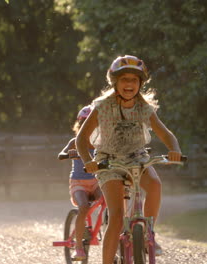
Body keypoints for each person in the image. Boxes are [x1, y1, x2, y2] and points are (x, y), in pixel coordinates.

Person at [76, 55, 182, 264]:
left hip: (137, 158)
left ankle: (148, 233)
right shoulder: (103, 106)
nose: (129, 84)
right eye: (124, 79)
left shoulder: (144, 108)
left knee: (155, 185)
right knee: (116, 216)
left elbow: (165, 134)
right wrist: (88, 160)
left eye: (134, 80)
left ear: (140, 83)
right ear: (115, 82)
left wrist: (175, 149)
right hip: (109, 161)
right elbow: (81, 139)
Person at [58, 105, 102, 261]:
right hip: (79, 183)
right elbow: (61, 154)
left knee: (108, 200)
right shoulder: (75, 142)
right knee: (84, 207)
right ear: (79, 124)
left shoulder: (100, 144)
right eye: (84, 123)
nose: (88, 127)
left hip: (96, 181)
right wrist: (68, 153)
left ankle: (113, 230)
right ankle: (78, 247)